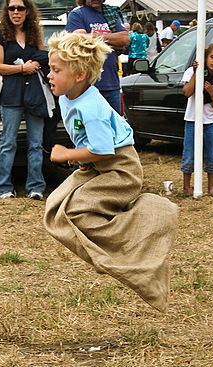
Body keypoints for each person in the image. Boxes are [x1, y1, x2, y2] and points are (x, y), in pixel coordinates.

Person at [44, 32, 178, 311]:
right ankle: (107, 254)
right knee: (55, 209)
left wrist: (68, 155)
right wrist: (82, 158)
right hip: (97, 166)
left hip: (120, 171)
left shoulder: (90, 106)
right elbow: (92, 143)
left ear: (79, 74)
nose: (49, 75)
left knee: (75, 211)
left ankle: (151, 217)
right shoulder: (69, 97)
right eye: (50, 68)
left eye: (56, 70)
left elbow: (105, 150)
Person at [0, 0, 48, 200]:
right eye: (12, 8)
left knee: (35, 143)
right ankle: (3, 187)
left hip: (35, 95)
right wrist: (23, 68)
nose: (16, 12)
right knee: (8, 142)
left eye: (20, 8)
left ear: (27, 11)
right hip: (12, 95)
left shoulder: (34, 33)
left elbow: (44, 55)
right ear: (6, 11)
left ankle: (36, 187)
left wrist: (37, 62)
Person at [181, 44, 213, 196]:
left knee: (211, 155)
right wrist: (196, 73)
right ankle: (186, 186)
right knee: (189, 153)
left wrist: (211, 93)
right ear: (205, 57)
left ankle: (211, 187)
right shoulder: (191, 71)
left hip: (211, 123)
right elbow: (187, 92)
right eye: (212, 57)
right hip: (192, 119)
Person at [66, 0, 129, 114]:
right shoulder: (77, 14)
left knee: (114, 128)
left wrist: (92, 38)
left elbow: (124, 39)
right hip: (87, 86)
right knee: (88, 129)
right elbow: (80, 41)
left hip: (112, 84)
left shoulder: (111, 13)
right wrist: (112, 41)